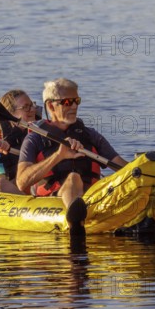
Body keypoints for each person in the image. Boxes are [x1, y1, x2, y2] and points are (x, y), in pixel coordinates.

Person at [16, 78, 128, 237]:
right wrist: (59, 156)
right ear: (50, 106)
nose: (74, 106)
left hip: (93, 195)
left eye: (77, 101)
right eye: (67, 102)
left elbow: (122, 166)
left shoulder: (90, 135)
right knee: (74, 178)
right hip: (55, 198)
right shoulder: (34, 139)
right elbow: (21, 182)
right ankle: (75, 221)